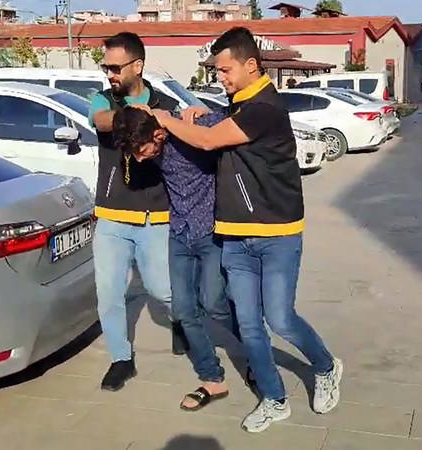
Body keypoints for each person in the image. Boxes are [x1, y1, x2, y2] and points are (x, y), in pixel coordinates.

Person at [148, 27, 343, 433]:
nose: (220, 77)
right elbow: (215, 123)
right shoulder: (238, 105)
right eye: (217, 71)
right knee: (251, 327)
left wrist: (165, 117)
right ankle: (274, 399)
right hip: (235, 236)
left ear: (251, 65)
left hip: (277, 234)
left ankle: (326, 367)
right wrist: (198, 111)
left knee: (281, 319)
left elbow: (207, 141)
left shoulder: (265, 108)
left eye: (225, 70)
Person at [113, 106, 245, 412]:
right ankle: (212, 377)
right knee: (184, 310)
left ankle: (256, 348)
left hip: (210, 232)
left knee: (215, 303)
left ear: (158, 135)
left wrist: (204, 110)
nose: (141, 159)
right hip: (180, 233)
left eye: (143, 151)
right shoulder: (150, 131)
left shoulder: (190, 128)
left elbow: (236, 118)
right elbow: (141, 116)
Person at [88, 32, 187, 392]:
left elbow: (184, 136)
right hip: (111, 217)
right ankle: (121, 359)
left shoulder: (165, 103)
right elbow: (100, 120)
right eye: (106, 67)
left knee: (163, 290)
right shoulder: (104, 100)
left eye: (116, 68)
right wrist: (130, 117)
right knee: (109, 294)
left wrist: (168, 119)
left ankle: (182, 322)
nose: (110, 74)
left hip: (155, 216)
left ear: (138, 66)